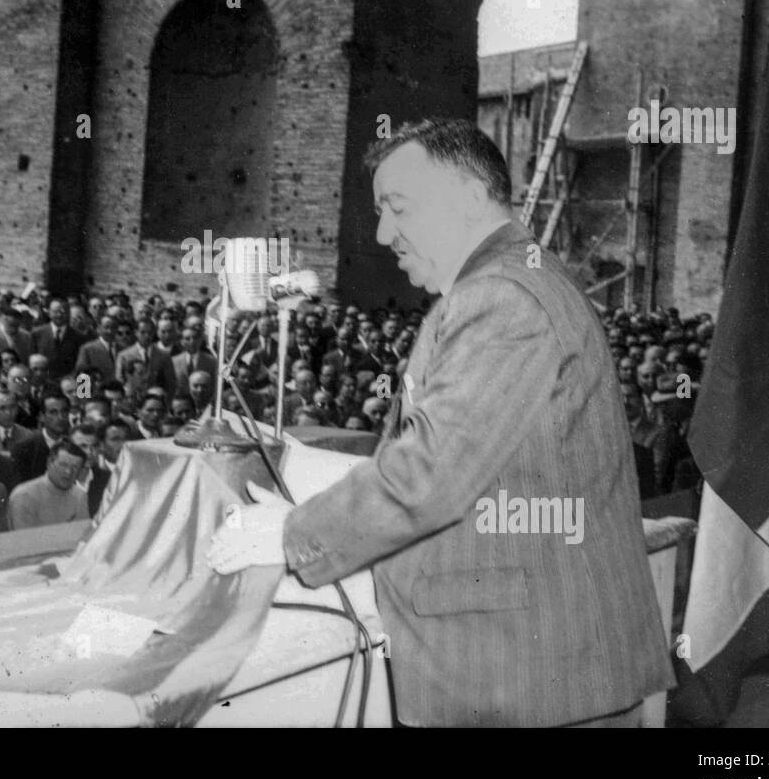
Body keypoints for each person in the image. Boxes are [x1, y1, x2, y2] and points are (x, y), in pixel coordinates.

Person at [208, 118, 672, 727]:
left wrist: (291, 533)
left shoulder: (503, 297)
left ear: (471, 198)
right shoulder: (508, 282)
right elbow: (481, 464)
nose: (382, 233)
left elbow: (433, 472)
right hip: (534, 672)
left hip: (529, 683)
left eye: (398, 207)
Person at [7, 438, 90, 530]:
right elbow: (24, 540)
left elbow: (81, 535)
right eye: (63, 465)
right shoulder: (24, 495)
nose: (68, 472)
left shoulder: (80, 496)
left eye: (75, 468)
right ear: (49, 463)